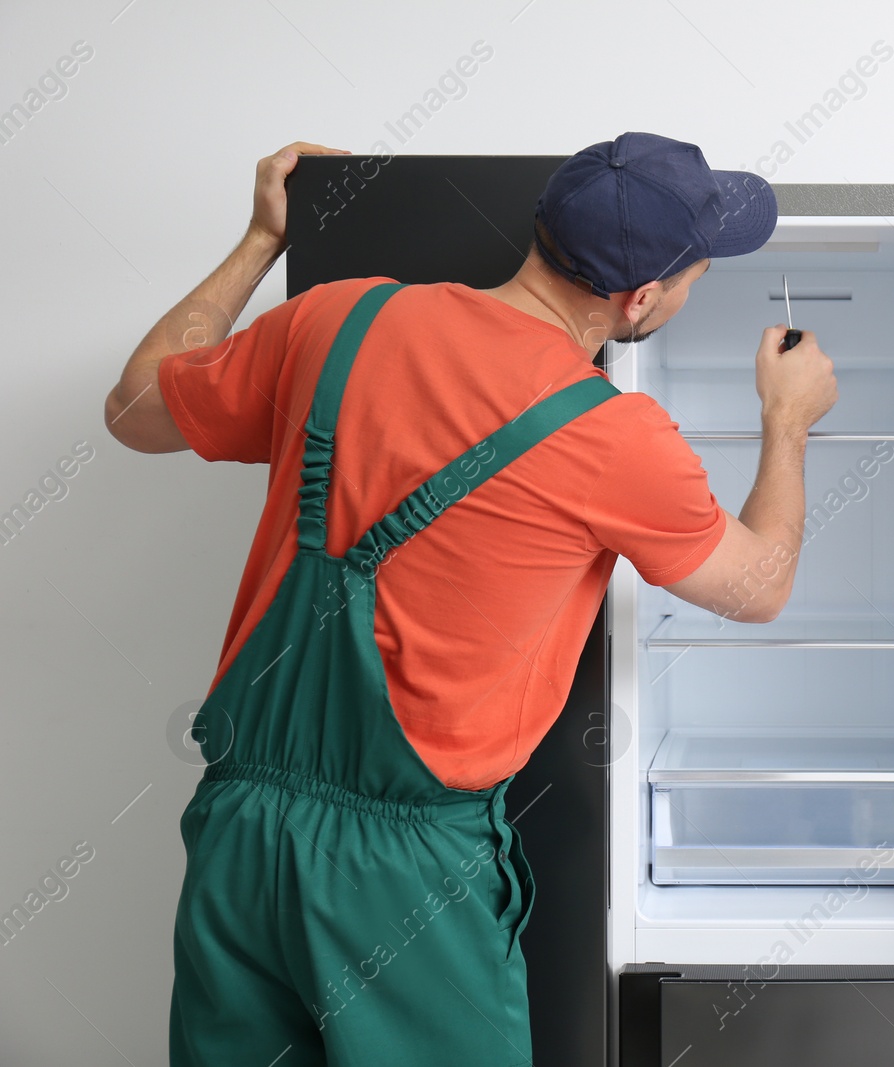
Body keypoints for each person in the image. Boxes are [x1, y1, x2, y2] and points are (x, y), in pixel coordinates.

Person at [105, 132, 837, 1067]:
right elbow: (760, 586)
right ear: (639, 300)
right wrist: (788, 422)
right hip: (399, 876)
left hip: (238, 840)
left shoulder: (336, 321)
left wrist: (260, 240)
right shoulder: (616, 439)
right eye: (694, 275)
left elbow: (133, 410)